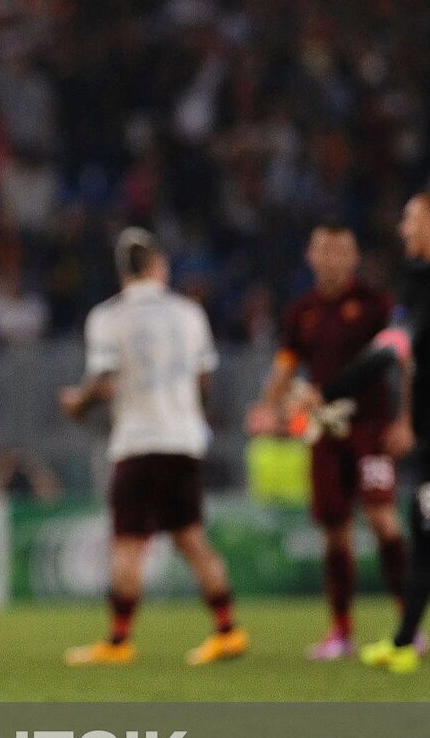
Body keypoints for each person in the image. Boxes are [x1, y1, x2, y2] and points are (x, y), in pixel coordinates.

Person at [59, 227, 246, 667]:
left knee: (127, 543)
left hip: (138, 440)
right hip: (184, 439)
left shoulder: (107, 317)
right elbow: (204, 380)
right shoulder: (189, 314)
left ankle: (119, 641)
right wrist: (193, 415)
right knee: (192, 539)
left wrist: (77, 403)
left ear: (123, 271)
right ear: (157, 265)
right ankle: (228, 630)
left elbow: (102, 379)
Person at [247, 223, 411, 660]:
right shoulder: (302, 312)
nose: (333, 258)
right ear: (311, 255)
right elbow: (286, 365)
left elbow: (403, 363)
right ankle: (340, 632)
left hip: (370, 429)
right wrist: (268, 405)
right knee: (334, 532)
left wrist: (407, 419)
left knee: (382, 520)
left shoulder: (377, 306)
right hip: (322, 431)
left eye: (341, 250)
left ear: (354, 257)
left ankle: (408, 624)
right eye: (325, 249)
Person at [363, 192, 430, 673]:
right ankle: (405, 643)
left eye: (411, 218)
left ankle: (405, 642)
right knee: (422, 533)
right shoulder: (417, 282)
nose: (403, 227)